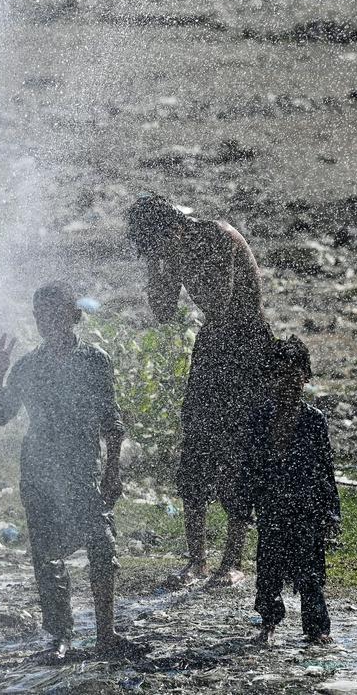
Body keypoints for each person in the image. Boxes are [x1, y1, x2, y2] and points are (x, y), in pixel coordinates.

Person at [0, 282, 143, 662]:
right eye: (41, 315)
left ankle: (107, 633)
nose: (48, 321)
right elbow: (1, 416)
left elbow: (110, 418)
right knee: (47, 555)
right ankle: (60, 637)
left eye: (56, 313)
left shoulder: (93, 360)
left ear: (75, 316)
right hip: (38, 468)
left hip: (82, 466)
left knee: (102, 545)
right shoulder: (27, 366)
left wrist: (114, 470)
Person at [127, 193, 272, 589]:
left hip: (247, 344)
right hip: (213, 343)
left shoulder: (219, 237)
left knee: (235, 450)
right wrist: (158, 269)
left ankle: (233, 560)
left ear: (173, 228)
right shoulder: (172, 250)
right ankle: (197, 561)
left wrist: (172, 260)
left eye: (153, 244)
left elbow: (221, 302)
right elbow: (163, 313)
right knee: (196, 447)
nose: (154, 253)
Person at [250, 336, 340, 645]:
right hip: (271, 506)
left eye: (293, 376)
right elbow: (251, 465)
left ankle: (317, 630)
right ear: (269, 378)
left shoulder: (314, 421)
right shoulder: (259, 418)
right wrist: (244, 501)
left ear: (306, 377)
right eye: (279, 376)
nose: (287, 383)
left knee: (311, 572)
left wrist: (330, 511)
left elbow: (325, 470)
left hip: (306, 508)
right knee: (269, 569)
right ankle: (268, 623)